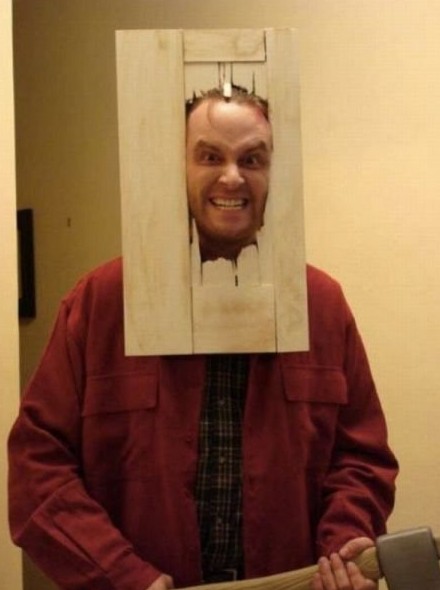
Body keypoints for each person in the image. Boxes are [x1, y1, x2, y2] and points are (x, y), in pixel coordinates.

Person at [8, 87, 398, 590]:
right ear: (179, 167)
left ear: (273, 172)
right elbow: (38, 473)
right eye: (210, 156)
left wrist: (341, 547)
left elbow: (361, 459)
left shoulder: (321, 306)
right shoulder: (100, 303)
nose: (232, 176)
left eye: (252, 159)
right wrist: (122, 576)